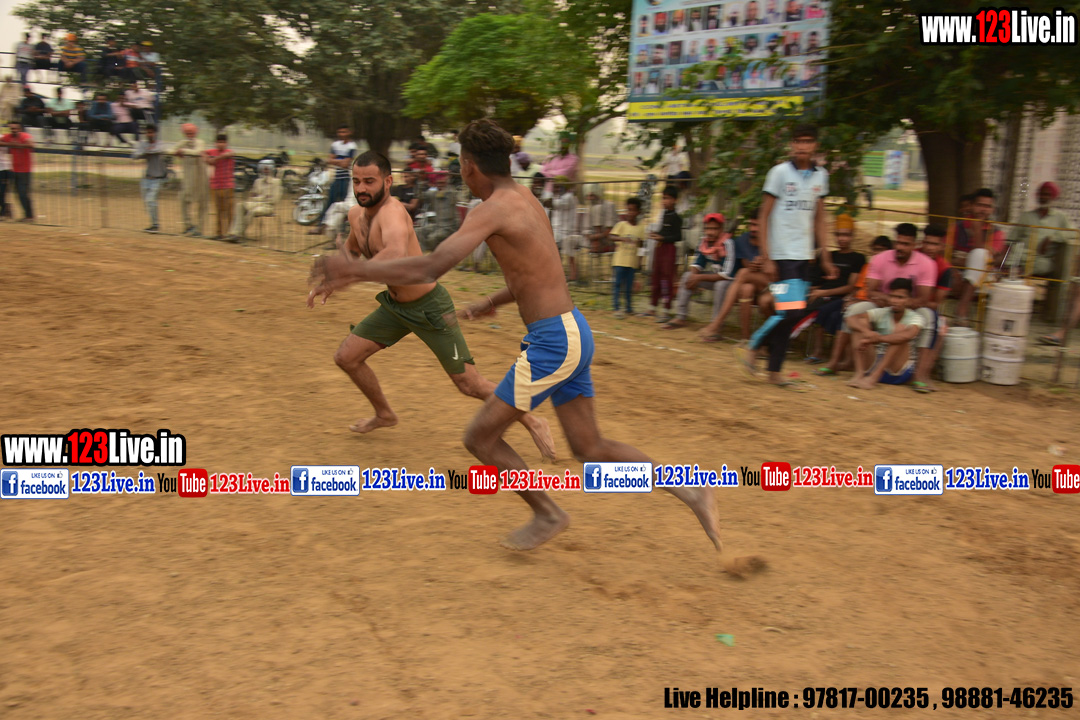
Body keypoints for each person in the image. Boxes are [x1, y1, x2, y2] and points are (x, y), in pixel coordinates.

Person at [308, 119, 747, 571]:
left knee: (480, 437)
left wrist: (355, 270)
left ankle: (548, 513)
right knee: (590, 447)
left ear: (469, 166)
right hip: (572, 331)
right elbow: (537, 270)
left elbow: (431, 266)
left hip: (554, 342)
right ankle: (692, 490)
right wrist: (492, 301)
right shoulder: (524, 198)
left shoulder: (491, 209)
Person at [306, 148, 556, 459]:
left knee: (469, 383)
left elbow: (395, 253)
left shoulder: (393, 213)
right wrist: (331, 279)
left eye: (369, 181)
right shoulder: (356, 215)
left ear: (388, 181)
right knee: (347, 357)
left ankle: (532, 420)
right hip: (395, 307)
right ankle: (384, 414)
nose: (361, 188)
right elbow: (351, 251)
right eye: (356, 181)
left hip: (429, 308)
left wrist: (351, 275)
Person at [735, 124, 836, 386]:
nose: (802, 146)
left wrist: (825, 255)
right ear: (792, 144)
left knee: (791, 313)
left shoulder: (821, 176)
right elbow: (764, 215)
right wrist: (767, 256)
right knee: (789, 313)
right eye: (798, 141)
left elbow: (820, 218)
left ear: (815, 145)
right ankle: (753, 346)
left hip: (804, 255)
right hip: (782, 255)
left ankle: (774, 371)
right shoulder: (779, 173)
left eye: (808, 141)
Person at [804, 214, 865, 362]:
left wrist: (822, 292)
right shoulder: (828, 256)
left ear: (852, 236)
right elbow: (817, 280)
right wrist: (814, 290)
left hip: (840, 297)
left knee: (823, 310)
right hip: (822, 294)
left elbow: (851, 287)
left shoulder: (858, 258)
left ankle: (819, 351)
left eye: (846, 235)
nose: (842, 239)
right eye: (839, 235)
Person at [698, 213, 766, 342]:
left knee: (742, 274)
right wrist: (754, 265)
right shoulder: (742, 240)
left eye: (757, 225)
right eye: (751, 224)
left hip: (768, 282)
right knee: (746, 288)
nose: (753, 228)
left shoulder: (771, 240)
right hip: (751, 280)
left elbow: (774, 269)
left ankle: (716, 324)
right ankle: (746, 339)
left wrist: (763, 264)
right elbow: (746, 264)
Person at [845, 278, 923, 390]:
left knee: (900, 331)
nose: (894, 301)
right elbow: (850, 319)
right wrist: (867, 332)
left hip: (898, 370)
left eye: (900, 297)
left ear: (909, 300)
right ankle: (859, 373)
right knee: (860, 324)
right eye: (892, 296)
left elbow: (909, 335)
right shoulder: (883, 312)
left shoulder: (915, 317)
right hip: (875, 363)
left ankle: (874, 378)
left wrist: (878, 339)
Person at [665, 213, 736, 329]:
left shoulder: (728, 243)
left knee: (721, 285)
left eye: (714, 229)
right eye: (708, 228)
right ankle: (680, 317)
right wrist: (693, 276)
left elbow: (727, 275)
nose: (710, 232)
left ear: (721, 229)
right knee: (687, 276)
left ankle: (716, 324)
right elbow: (697, 264)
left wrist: (699, 278)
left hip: (732, 282)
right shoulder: (704, 242)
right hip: (715, 277)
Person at [911, 224, 953, 392]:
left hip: (923, 306)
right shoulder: (912, 256)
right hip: (903, 303)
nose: (929, 248)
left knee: (941, 327)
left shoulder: (945, 268)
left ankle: (923, 374)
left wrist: (916, 302)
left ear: (942, 246)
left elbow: (936, 303)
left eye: (934, 244)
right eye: (927, 243)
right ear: (922, 242)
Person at [955, 188, 1006, 325]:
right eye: (980, 205)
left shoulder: (996, 232)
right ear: (972, 205)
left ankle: (962, 307)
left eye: (987, 206)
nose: (983, 210)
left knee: (980, 254)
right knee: (980, 255)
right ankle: (962, 312)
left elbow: (989, 259)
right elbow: (945, 253)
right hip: (957, 272)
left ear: (992, 210)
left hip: (985, 274)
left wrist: (977, 230)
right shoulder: (958, 226)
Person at [1010, 181, 1072, 277]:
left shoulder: (1060, 217)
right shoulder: (1026, 216)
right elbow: (1012, 239)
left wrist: (1052, 238)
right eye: (1041, 194)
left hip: (1041, 260)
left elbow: (1073, 233)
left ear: (1053, 197)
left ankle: (1021, 272)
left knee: (1045, 266)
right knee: (1010, 257)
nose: (1043, 197)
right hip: (1021, 256)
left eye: (1046, 195)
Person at [310, 125, 357, 235]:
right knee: (329, 202)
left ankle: (343, 229)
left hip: (346, 179)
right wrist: (340, 161)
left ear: (349, 132)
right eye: (340, 132)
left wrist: (335, 161)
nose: (342, 134)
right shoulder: (335, 145)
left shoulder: (352, 146)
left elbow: (346, 164)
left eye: (344, 132)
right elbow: (331, 160)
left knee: (345, 204)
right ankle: (321, 226)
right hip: (337, 177)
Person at [646, 185, 682, 321]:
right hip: (660, 248)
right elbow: (664, 231)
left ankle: (666, 309)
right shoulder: (664, 214)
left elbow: (678, 236)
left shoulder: (676, 217)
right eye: (663, 198)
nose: (664, 201)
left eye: (667, 198)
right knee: (656, 276)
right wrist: (656, 234)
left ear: (675, 200)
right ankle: (653, 307)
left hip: (669, 249)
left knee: (666, 279)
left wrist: (662, 238)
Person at [226, 159, 282, 241]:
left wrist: (259, 198)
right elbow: (252, 195)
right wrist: (264, 197)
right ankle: (233, 233)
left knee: (252, 211)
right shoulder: (257, 181)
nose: (265, 171)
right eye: (263, 169)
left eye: (267, 169)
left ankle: (239, 234)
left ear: (271, 169)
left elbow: (274, 200)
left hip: (267, 206)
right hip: (255, 203)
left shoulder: (276, 182)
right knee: (240, 205)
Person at [610, 197, 646, 318]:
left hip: (632, 262)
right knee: (617, 284)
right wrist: (622, 238)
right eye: (628, 210)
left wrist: (640, 260)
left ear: (638, 212)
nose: (630, 213)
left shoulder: (641, 228)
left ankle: (628, 308)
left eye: (633, 210)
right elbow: (611, 236)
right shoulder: (621, 225)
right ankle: (616, 307)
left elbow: (641, 245)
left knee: (629, 286)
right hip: (620, 261)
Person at [174, 123, 209, 237]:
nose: (190, 135)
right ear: (184, 133)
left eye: (192, 133)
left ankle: (199, 228)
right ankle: (188, 225)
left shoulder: (200, 142)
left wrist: (183, 151)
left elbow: (198, 151)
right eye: (187, 133)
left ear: (196, 132)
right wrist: (178, 152)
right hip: (188, 176)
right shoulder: (183, 142)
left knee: (203, 202)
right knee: (183, 199)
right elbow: (173, 150)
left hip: (200, 176)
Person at [131, 124, 168, 232]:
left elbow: (158, 150)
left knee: (151, 200)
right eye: (147, 132)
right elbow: (135, 155)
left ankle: (155, 225)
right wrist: (146, 151)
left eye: (151, 132)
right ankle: (153, 223)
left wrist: (147, 151)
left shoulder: (160, 143)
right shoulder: (143, 144)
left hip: (158, 178)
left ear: (155, 133)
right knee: (147, 202)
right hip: (147, 177)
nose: (149, 134)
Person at [549, 176, 582, 282]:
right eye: (555, 187)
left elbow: (559, 204)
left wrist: (547, 201)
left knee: (568, 254)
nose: (557, 189)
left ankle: (573, 276)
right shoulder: (559, 197)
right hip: (559, 232)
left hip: (568, 232)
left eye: (559, 187)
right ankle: (559, 274)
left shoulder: (569, 197)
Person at [0, 120, 34, 222]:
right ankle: (26, 215)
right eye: (12, 128)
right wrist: (9, 144)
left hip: (25, 169)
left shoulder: (25, 136)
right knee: (18, 193)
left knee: (23, 193)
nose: (13, 130)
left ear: (20, 129)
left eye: (15, 128)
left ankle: (29, 216)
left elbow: (31, 145)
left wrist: (17, 145)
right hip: (14, 169)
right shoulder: (8, 137)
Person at [204, 133, 236, 240]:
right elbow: (202, 153)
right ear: (215, 143)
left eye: (223, 142)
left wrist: (215, 159)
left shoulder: (229, 152)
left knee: (229, 210)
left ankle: (231, 233)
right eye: (219, 142)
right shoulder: (211, 151)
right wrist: (207, 158)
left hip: (227, 185)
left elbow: (229, 154)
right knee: (218, 210)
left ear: (226, 143)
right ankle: (219, 233)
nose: (221, 144)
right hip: (215, 185)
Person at [417, 170, 459, 251]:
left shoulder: (452, 193)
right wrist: (421, 181)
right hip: (437, 225)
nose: (440, 185)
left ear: (446, 183)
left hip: (450, 227)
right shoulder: (434, 194)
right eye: (438, 183)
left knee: (432, 238)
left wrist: (447, 181)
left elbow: (451, 193)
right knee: (418, 231)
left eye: (442, 183)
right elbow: (421, 197)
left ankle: (433, 254)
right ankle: (424, 252)